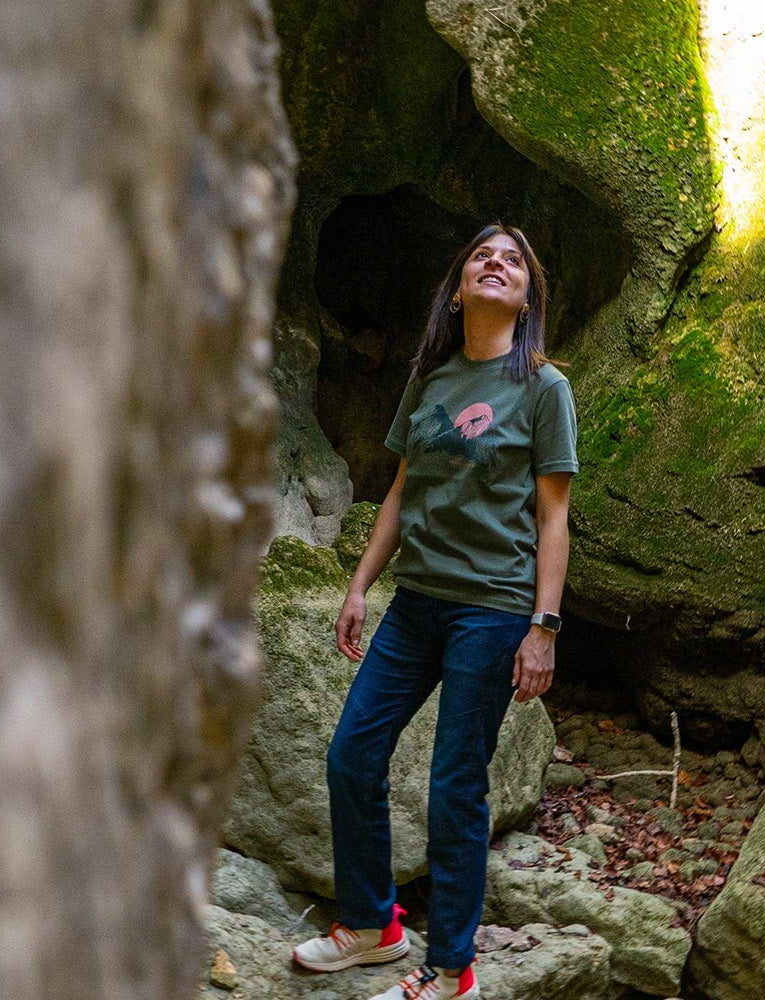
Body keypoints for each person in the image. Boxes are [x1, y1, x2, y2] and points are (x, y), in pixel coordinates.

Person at [288, 225, 577, 1000]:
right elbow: (399, 492)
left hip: (492, 609)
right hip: (417, 603)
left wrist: (543, 628)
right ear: (458, 289)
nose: (497, 262)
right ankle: (371, 927)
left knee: (455, 785)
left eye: (514, 259)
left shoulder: (545, 389)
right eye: (484, 254)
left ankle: (451, 971)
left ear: (527, 296)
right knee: (351, 755)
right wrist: (358, 586)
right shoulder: (432, 380)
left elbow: (554, 520)